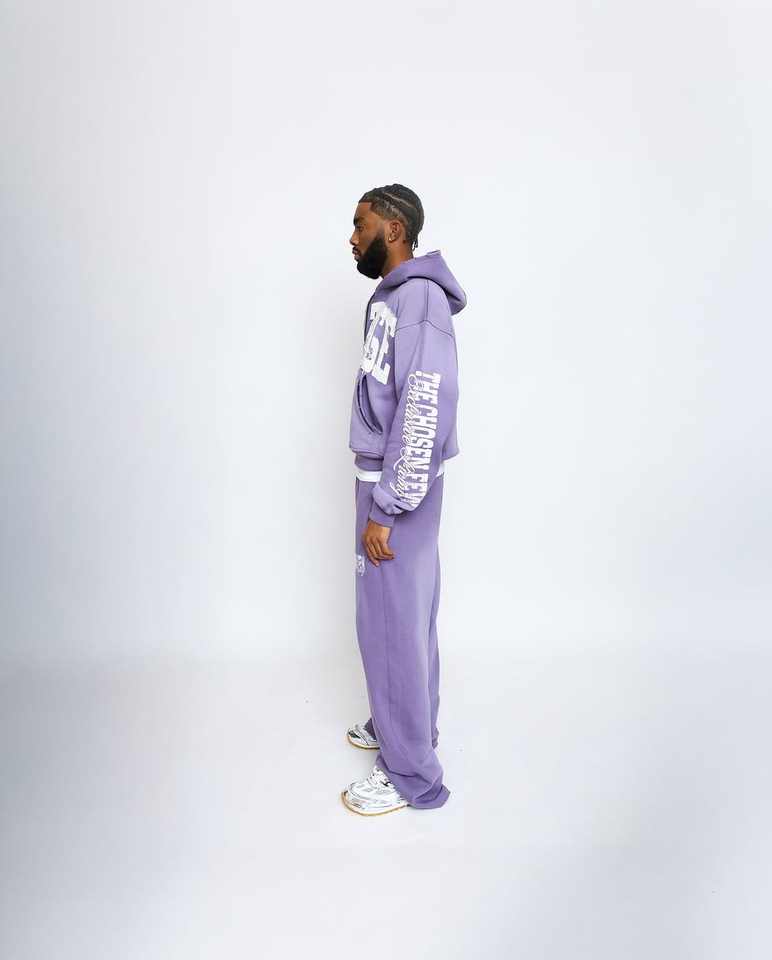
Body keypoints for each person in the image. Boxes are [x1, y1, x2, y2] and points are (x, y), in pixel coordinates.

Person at [341, 183, 467, 816]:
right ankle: (401, 723)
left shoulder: (418, 298)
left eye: (360, 224)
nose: (352, 237)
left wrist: (387, 506)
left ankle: (410, 771)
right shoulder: (393, 296)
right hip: (384, 483)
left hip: (396, 492)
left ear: (393, 230)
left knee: (394, 622)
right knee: (398, 619)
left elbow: (424, 401)